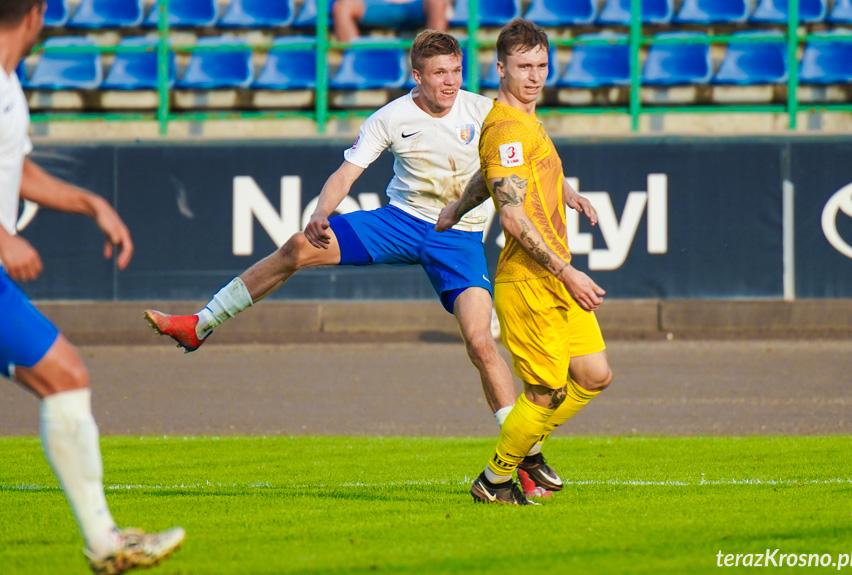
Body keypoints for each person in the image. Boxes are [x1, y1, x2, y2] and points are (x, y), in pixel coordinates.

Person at [145, 31, 564, 492]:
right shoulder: (390, 117)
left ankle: (522, 456)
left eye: (456, 71)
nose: (450, 82)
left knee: (481, 342)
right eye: (440, 73)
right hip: (400, 222)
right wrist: (321, 213)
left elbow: (524, 162)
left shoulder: (484, 111)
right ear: (417, 76)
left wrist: (570, 192)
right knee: (296, 248)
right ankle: (200, 323)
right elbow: (347, 172)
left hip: (457, 236)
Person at [0, 1, 185, 571]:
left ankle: (106, 543)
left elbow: (16, 169)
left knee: (65, 377)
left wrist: (91, 203)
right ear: (34, 14)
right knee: (66, 376)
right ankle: (105, 544)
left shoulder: (9, 82)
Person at [436, 19, 613, 505]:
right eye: (523, 66)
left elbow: (501, 178)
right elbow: (512, 217)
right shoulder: (508, 127)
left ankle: (526, 445)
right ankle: (495, 480)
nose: (534, 76)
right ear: (500, 69)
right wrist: (567, 271)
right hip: (534, 279)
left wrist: (564, 191)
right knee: (544, 392)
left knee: (594, 375)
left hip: (553, 276)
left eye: (541, 65)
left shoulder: (524, 122)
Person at [333, 0, 448, 43]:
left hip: (416, 6)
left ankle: (434, 55)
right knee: (342, 6)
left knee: (437, 3)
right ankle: (351, 60)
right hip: (376, 5)